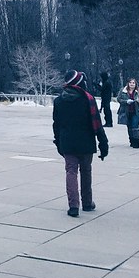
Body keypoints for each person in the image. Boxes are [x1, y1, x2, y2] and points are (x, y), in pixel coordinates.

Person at [53, 70, 109, 217]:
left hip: (67, 142)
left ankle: (73, 206)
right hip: (86, 141)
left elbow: (56, 124)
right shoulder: (88, 100)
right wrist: (103, 143)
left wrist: (58, 142)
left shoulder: (59, 101)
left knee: (71, 172)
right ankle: (87, 202)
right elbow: (97, 124)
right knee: (86, 171)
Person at [116, 77, 139, 148]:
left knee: (135, 126)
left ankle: (136, 142)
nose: (132, 84)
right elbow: (118, 99)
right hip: (126, 112)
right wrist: (126, 102)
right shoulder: (123, 91)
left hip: (136, 112)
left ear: (135, 84)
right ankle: (131, 140)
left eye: (133, 83)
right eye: (130, 82)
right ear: (128, 83)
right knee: (129, 127)